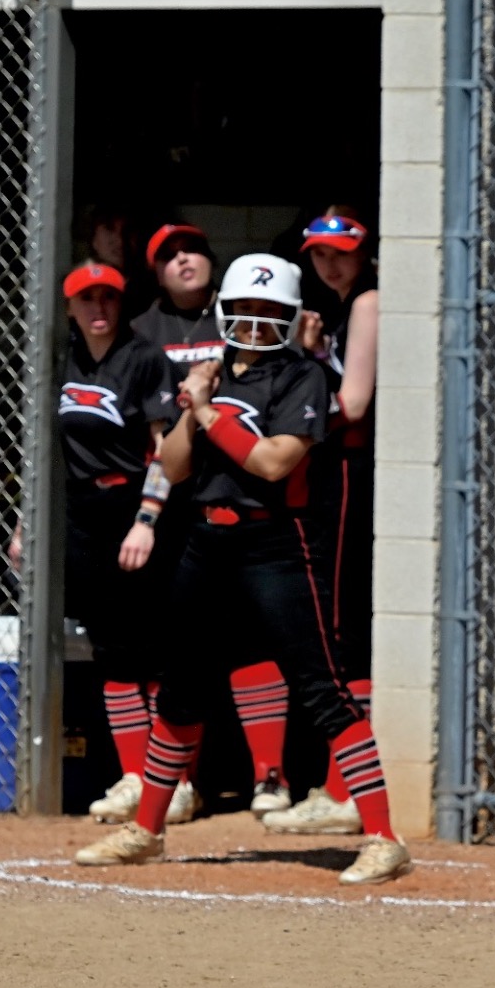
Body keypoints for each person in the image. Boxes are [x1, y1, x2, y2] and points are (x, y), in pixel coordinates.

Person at [72, 254, 392, 882]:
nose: (254, 324)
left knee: (323, 690)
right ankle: (147, 829)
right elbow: (175, 462)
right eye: (245, 312)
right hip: (204, 544)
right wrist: (194, 406)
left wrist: (212, 411)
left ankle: (382, 838)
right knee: (182, 692)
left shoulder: (303, 378)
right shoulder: (213, 377)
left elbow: (275, 461)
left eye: (270, 314)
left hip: (277, 546)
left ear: (291, 317)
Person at [257, 209, 409, 885]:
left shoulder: (368, 301)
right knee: (330, 628)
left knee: (339, 629)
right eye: (319, 255)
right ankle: (336, 787)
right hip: (326, 474)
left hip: (347, 469)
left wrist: (309, 359)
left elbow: (351, 400)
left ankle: (344, 791)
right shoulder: (336, 305)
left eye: (341, 254)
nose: (330, 265)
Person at [18, 262, 200, 820]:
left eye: (108, 298)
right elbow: (41, 449)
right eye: (86, 299)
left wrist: (147, 519)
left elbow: (164, 446)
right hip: (79, 513)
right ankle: (131, 776)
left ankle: (174, 783)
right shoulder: (60, 358)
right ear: (69, 306)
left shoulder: (144, 357)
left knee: (149, 644)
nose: (98, 309)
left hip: (131, 508)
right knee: (109, 646)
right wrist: (26, 522)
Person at [128, 222, 295, 819]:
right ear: (157, 271)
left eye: (193, 248)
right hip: (182, 508)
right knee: (180, 657)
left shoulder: (257, 342)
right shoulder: (145, 333)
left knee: (254, 643)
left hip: (253, 513)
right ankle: (176, 787)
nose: (183, 260)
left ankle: (269, 776)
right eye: (168, 254)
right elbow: (162, 446)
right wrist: (147, 514)